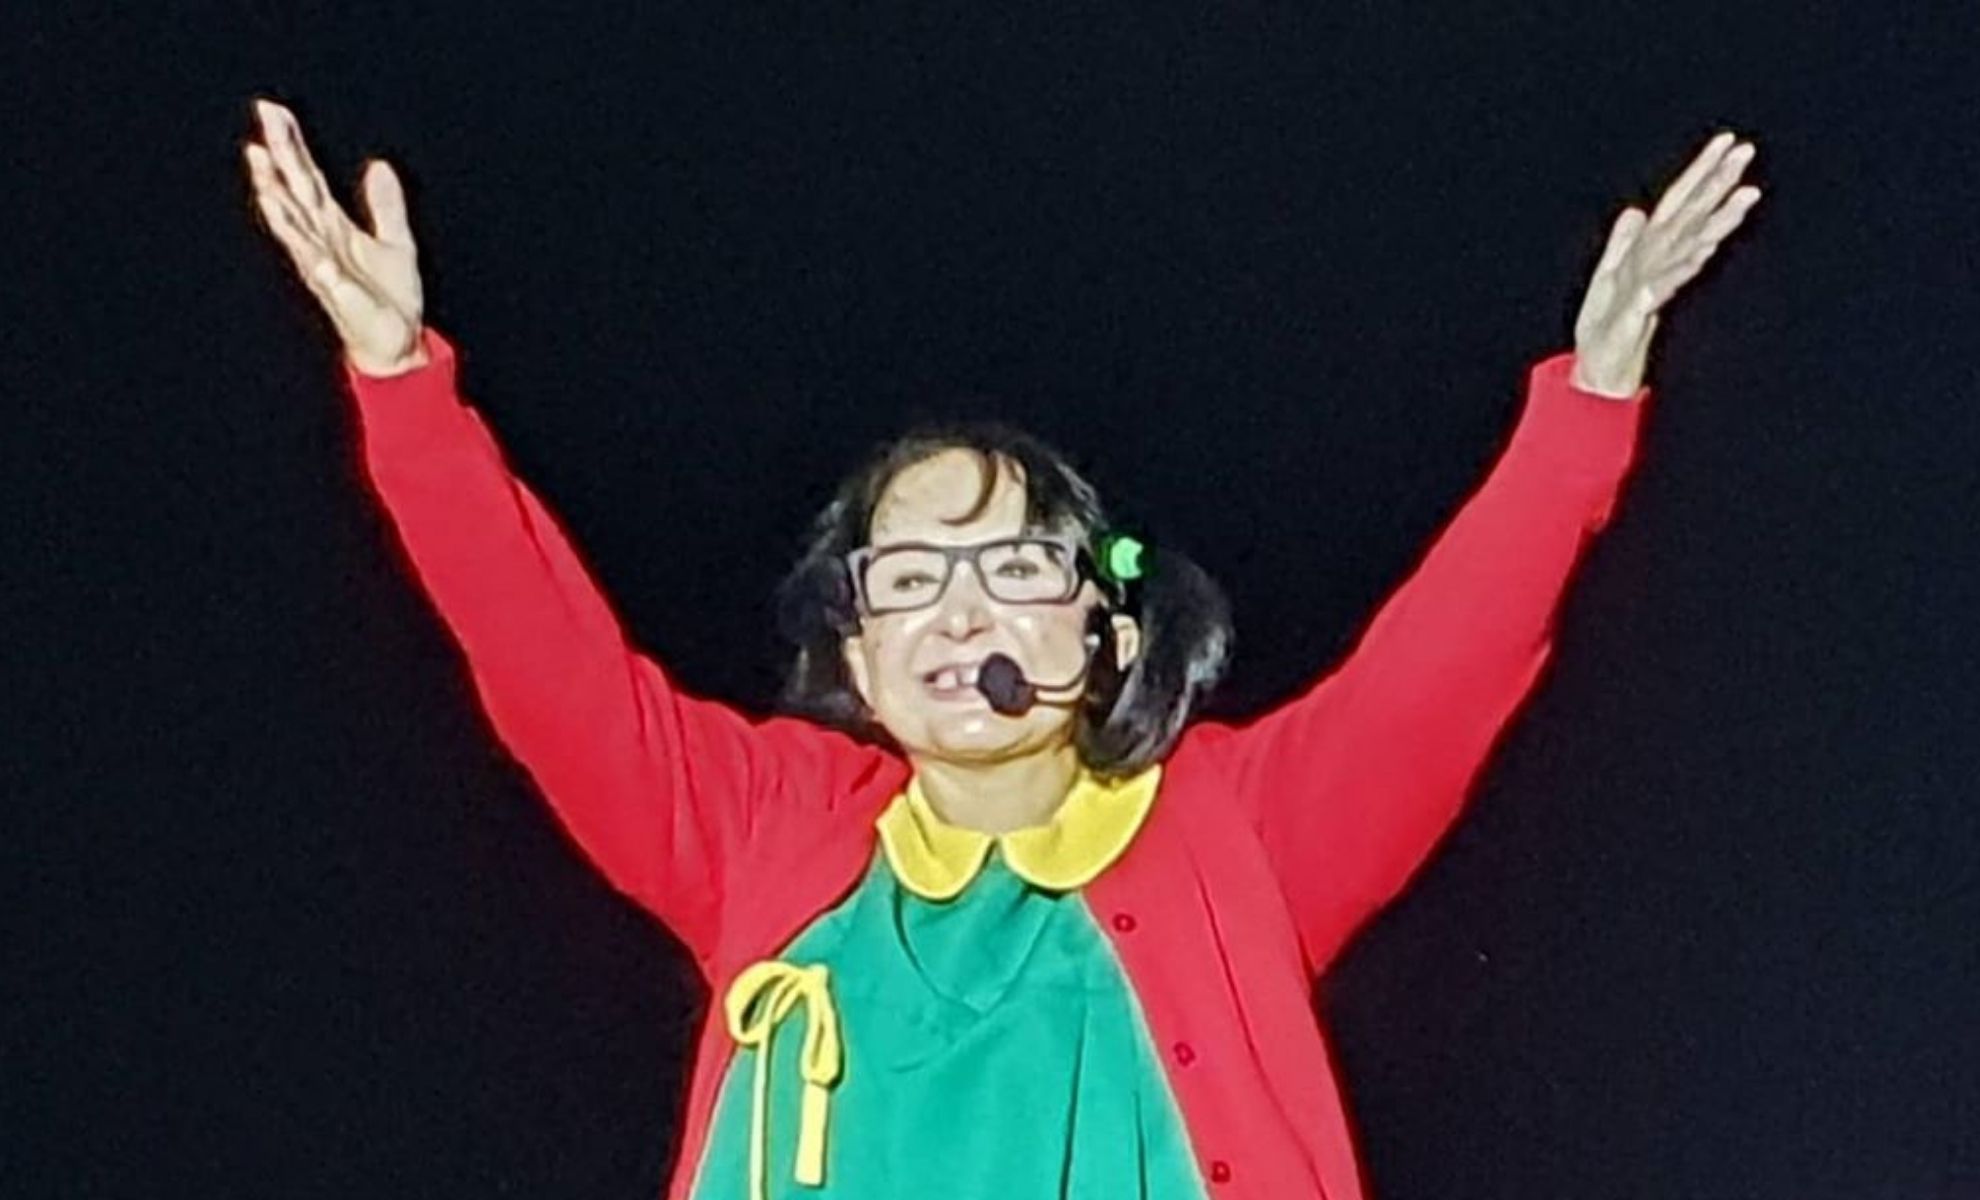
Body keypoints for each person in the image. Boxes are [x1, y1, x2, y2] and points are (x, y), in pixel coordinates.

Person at [242, 98, 1760, 1200]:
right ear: (856, 651)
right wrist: (401, 379)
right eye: (909, 577)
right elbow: (545, 661)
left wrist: (1589, 401)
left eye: (1018, 566)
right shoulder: (762, 832)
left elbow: (1446, 669)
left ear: (1106, 628)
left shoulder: (1236, 836)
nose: (962, 611)